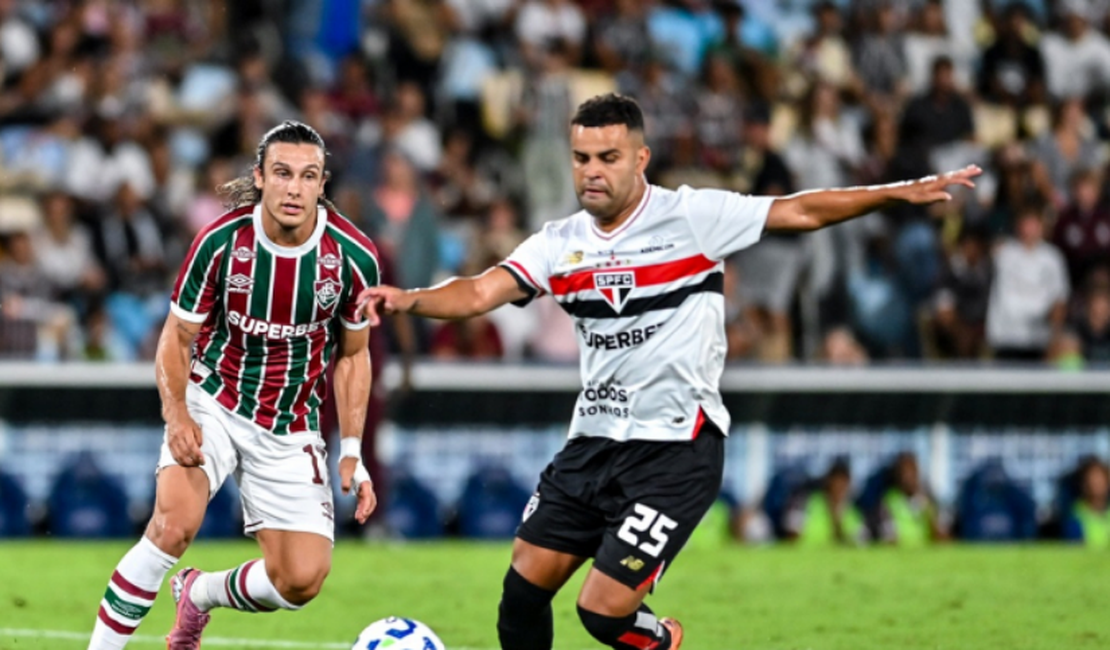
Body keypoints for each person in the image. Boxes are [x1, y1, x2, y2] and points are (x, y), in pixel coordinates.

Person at [359, 94, 978, 650]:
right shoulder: (559, 242)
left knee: (601, 614)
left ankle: (661, 639)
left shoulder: (693, 218)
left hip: (675, 450)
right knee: (521, 593)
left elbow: (800, 212)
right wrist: (408, 299)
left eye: (608, 157)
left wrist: (895, 192)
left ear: (641, 159)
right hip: (593, 444)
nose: (592, 171)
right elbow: (477, 292)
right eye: (581, 158)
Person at [85, 121, 378, 650]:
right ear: (259, 177)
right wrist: (177, 414)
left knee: (301, 580)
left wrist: (352, 450)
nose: (294, 188)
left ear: (322, 183)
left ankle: (199, 594)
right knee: (172, 526)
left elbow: (354, 356)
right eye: (282, 173)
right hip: (214, 400)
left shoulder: (353, 259)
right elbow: (176, 337)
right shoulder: (220, 243)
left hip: (290, 424)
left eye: (307, 176)